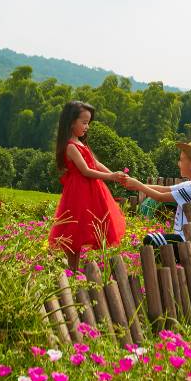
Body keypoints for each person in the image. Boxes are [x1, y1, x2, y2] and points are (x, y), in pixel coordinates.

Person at [48, 100, 128, 270]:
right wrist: (111, 177)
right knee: (75, 231)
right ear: (71, 122)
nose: (87, 127)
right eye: (84, 122)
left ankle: (74, 271)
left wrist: (115, 174)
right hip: (78, 192)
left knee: (84, 229)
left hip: (90, 190)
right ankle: (72, 269)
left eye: (88, 123)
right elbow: (85, 170)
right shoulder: (70, 147)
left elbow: (95, 163)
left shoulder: (81, 143)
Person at [124, 139, 191, 247]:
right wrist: (136, 185)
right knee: (154, 240)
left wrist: (138, 185)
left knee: (150, 240)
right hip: (183, 237)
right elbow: (163, 189)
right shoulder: (190, 185)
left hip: (187, 240)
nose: (178, 163)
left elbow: (160, 197)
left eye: (181, 160)